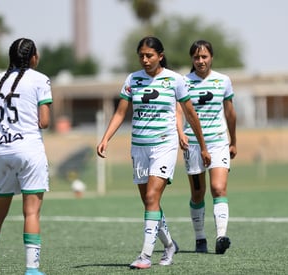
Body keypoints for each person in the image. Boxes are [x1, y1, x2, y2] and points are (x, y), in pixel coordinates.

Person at [96, 36, 211, 269]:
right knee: (150, 203)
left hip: (164, 146)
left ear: (160, 55)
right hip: (139, 147)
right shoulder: (132, 79)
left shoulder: (175, 80)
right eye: (141, 56)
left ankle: (145, 256)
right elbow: (120, 113)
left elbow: (190, 114)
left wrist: (204, 146)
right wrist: (106, 138)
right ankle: (169, 244)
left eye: (149, 55)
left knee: (151, 198)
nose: (145, 60)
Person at [0, 38, 52, 275]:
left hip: (3, 152)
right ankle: (32, 269)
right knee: (31, 213)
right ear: (32, 57)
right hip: (30, 151)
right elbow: (45, 122)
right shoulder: (40, 79)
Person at [177, 40, 237, 254]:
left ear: (211, 57)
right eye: (196, 57)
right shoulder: (183, 82)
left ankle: (221, 236)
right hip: (192, 146)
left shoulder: (223, 81)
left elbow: (230, 112)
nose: (200, 61)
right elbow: (178, 111)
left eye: (204, 57)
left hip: (219, 142)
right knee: (198, 193)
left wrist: (234, 140)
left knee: (218, 188)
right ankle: (200, 237)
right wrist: (180, 132)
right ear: (192, 59)